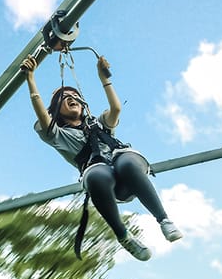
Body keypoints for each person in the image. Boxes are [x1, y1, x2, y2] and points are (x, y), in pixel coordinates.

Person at [20, 26, 182, 261]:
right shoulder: (59, 135)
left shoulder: (99, 124)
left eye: (74, 96)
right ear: (57, 110)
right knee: (95, 173)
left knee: (124, 160)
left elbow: (116, 109)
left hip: (128, 172)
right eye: (65, 99)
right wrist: (30, 79)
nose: (71, 99)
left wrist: (104, 79)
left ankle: (164, 220)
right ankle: (124, 236)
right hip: (104, 184)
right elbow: (42, 117)